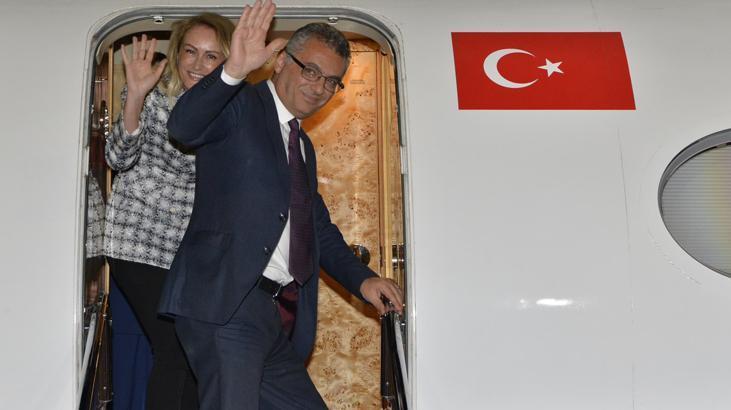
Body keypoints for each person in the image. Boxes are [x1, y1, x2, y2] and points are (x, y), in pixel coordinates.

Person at [157, 1, 404, 408]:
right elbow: (183, 126)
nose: (319, 87)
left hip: (273, 315)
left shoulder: (301, 144)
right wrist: (232, 70)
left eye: (332, 81)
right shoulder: (239, 103)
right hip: (227, 303)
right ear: (282, 62)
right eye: (311, 71)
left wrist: (363, 280)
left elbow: (316, 227)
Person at [103, 13, 235, 410]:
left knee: (196, 354)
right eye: (190, 52)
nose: (198, 64)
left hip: (186, 253)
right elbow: (118, 158)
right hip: (138, 242)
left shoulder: (230, 112)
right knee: (176, 348)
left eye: (211, 56)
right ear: (177, 54)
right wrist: (135, 96)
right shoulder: (154, 95)